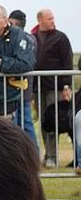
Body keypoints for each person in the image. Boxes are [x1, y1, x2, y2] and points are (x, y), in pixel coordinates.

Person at [32, 9, 73, 168]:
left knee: (54, 121)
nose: (52, 21)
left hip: (54, 86)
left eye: (53, 18)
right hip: (37, 87)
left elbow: (67, 61)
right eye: (49, 18)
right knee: (44, 122)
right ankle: (47, 154)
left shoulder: (60, 38)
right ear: (40, 20)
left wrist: (66, 85)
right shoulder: (33, 37)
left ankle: (53, 156)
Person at [8, 10, 38, 146]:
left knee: (17, 125)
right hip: (24, 88)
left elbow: (19, 62)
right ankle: (33, 154)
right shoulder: (32, 38)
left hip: (15, 88)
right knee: (26, 124)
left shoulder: (18, 38)